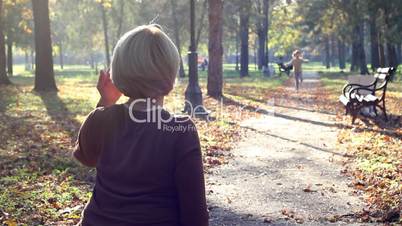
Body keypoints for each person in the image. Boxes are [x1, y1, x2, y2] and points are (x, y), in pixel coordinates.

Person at [73, 24, 209, 226]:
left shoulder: (100, 119)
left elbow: (86, 157)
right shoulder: (181, 131)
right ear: (170, 80)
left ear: (117, 74)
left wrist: (106, 102)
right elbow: (194, 213)